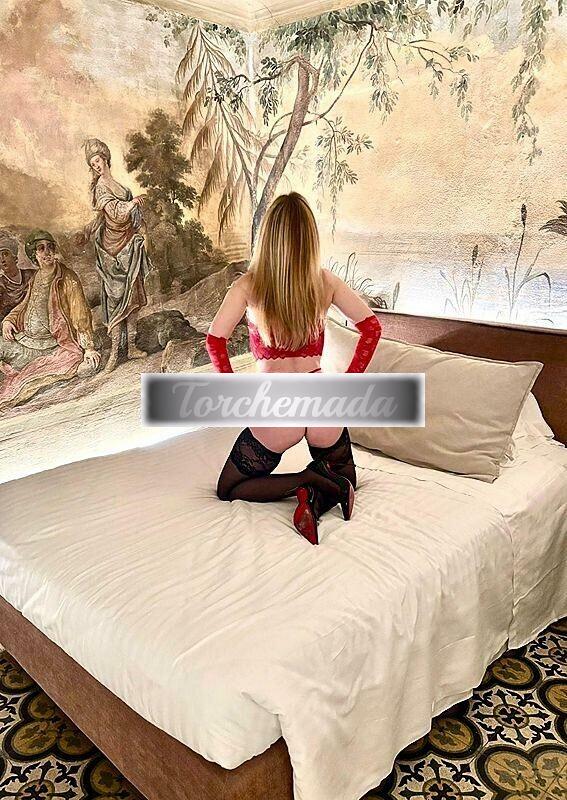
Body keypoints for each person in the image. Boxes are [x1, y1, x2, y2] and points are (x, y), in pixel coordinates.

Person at [205, 192, 382, 545]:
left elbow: (215, 340)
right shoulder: (326, 282)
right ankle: (318, 494)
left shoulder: (248, 285)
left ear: (268, 236)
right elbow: (371, 328)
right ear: (310, 237)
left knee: (230, 487)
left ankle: (305, 482)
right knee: (346, 481)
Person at [0, 230, 100, 408]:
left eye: (50, 247)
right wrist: (9, 320)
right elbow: (24, 305)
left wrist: (89, 348)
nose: (47, 252)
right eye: (41, 248)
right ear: (34, 254)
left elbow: (80, 314)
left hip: (50, 346)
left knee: (83, 367)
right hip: (27, 341)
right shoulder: (36, 277)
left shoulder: (67, 278)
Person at [76, 138, 152, 373]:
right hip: (112, 250)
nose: (97, 166)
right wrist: (133, 203)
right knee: (116, 299)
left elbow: (129, 216)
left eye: (98, 161)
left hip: (129, 244)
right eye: (93, 164)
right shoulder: (100, 187)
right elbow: (116, 213)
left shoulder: (116, 184)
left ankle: (131, 348)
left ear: (106, 159)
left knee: (133, 296)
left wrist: (141, 228)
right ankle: (114, 354)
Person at [0, 230, 35, 322]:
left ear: (14, 257)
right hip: (10, 325)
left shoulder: (32, 274)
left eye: (5, 254)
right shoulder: (1, 284)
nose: (2, 260)